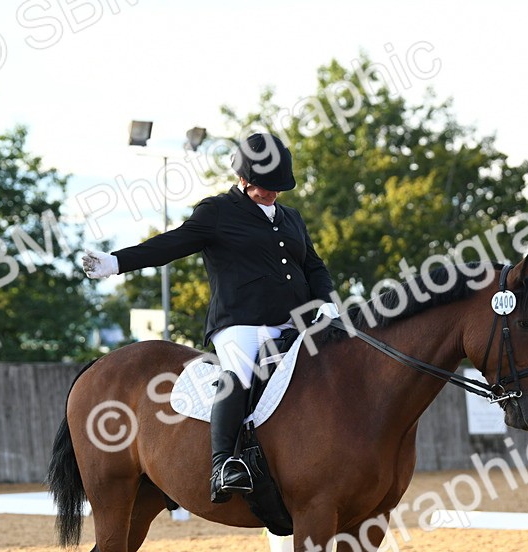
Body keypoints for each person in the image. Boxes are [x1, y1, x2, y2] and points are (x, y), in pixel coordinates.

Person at [82, 133, 338, 503]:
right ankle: (224, 464)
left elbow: (314, 267)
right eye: (264, 187)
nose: (272, 194)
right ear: (244, 179)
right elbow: (171, 244)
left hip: (294, 322)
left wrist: (328, 302)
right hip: (240, 323)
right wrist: (116, 262)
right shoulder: (217, 212)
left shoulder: (292, 219)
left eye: (277, 188)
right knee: (240, 374)